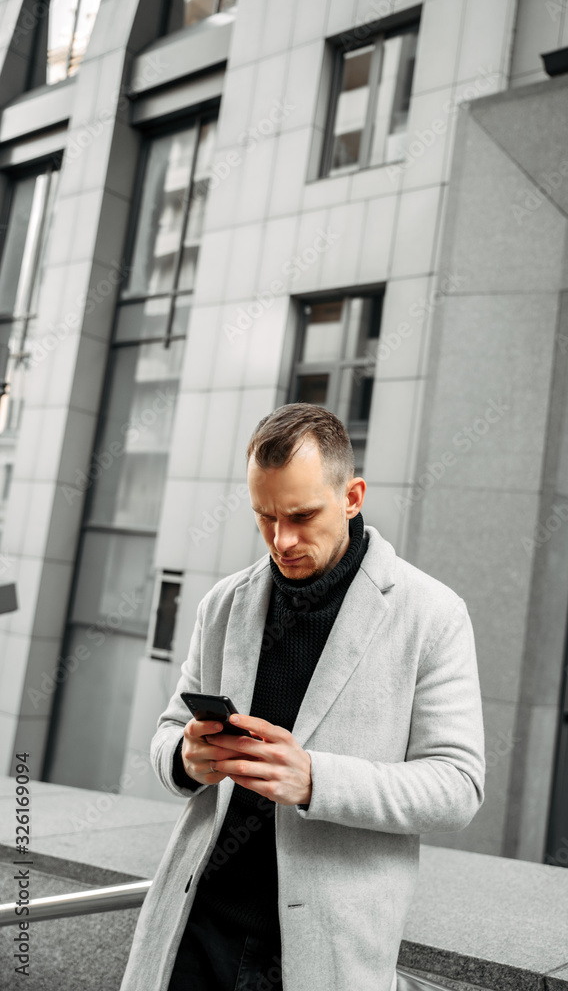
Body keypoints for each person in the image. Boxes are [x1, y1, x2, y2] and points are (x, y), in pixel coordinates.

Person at [121, 402, 485, 991]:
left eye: (301, 515)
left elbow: (458, 788)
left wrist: (315, 780)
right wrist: (185, 761)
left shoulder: (433, 615)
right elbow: (166, 735)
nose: (280, 540)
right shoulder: (223, 603)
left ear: (353, 496)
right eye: (264, 517)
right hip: (191, 933)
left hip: (322, 957)